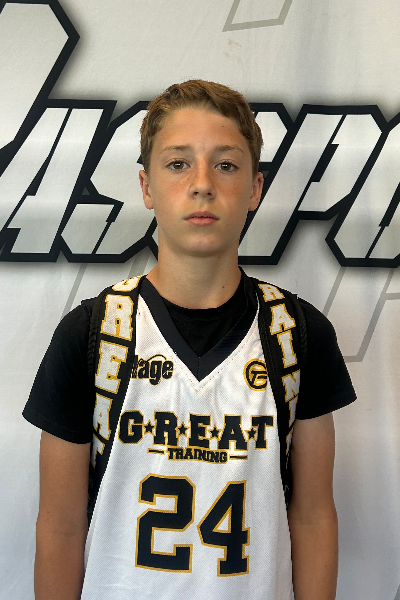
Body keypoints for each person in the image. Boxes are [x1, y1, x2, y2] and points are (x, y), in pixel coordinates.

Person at [23, 80, 356, 600]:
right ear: (146, 185)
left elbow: (312, 517)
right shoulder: (91, 334)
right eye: (178, 163)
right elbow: (61, 527)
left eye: (226, 164)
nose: (202, 184)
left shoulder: (297, 333)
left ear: (255, 188)